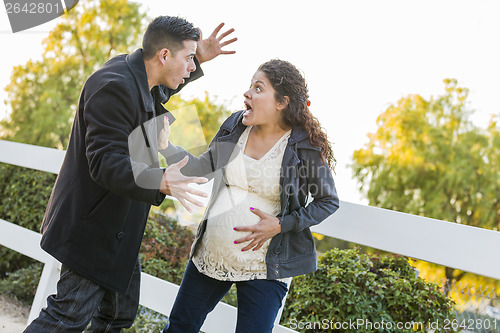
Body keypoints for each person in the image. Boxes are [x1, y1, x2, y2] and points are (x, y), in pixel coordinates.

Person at [24, 16, 236, 332]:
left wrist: (200, 57)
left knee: (117, 316)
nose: (191, 67)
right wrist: (161, 180)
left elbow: (161, 93)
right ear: (164, 55)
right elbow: (106, 163)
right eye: (188, 58)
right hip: (92, 228)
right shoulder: (114, 86)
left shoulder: (143, 81)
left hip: (118, 228)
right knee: (66, 318)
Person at [160, 59, 339, 333]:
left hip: (266, 268)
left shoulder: (304, 146)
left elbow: (328, 202)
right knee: (179, 328)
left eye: (258, 88)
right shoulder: (235, 125)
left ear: (282, 102)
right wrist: (166, 147)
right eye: (250, 86)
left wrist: (280, 224)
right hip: (212, 255)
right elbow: (201, 168)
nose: (247, 94)